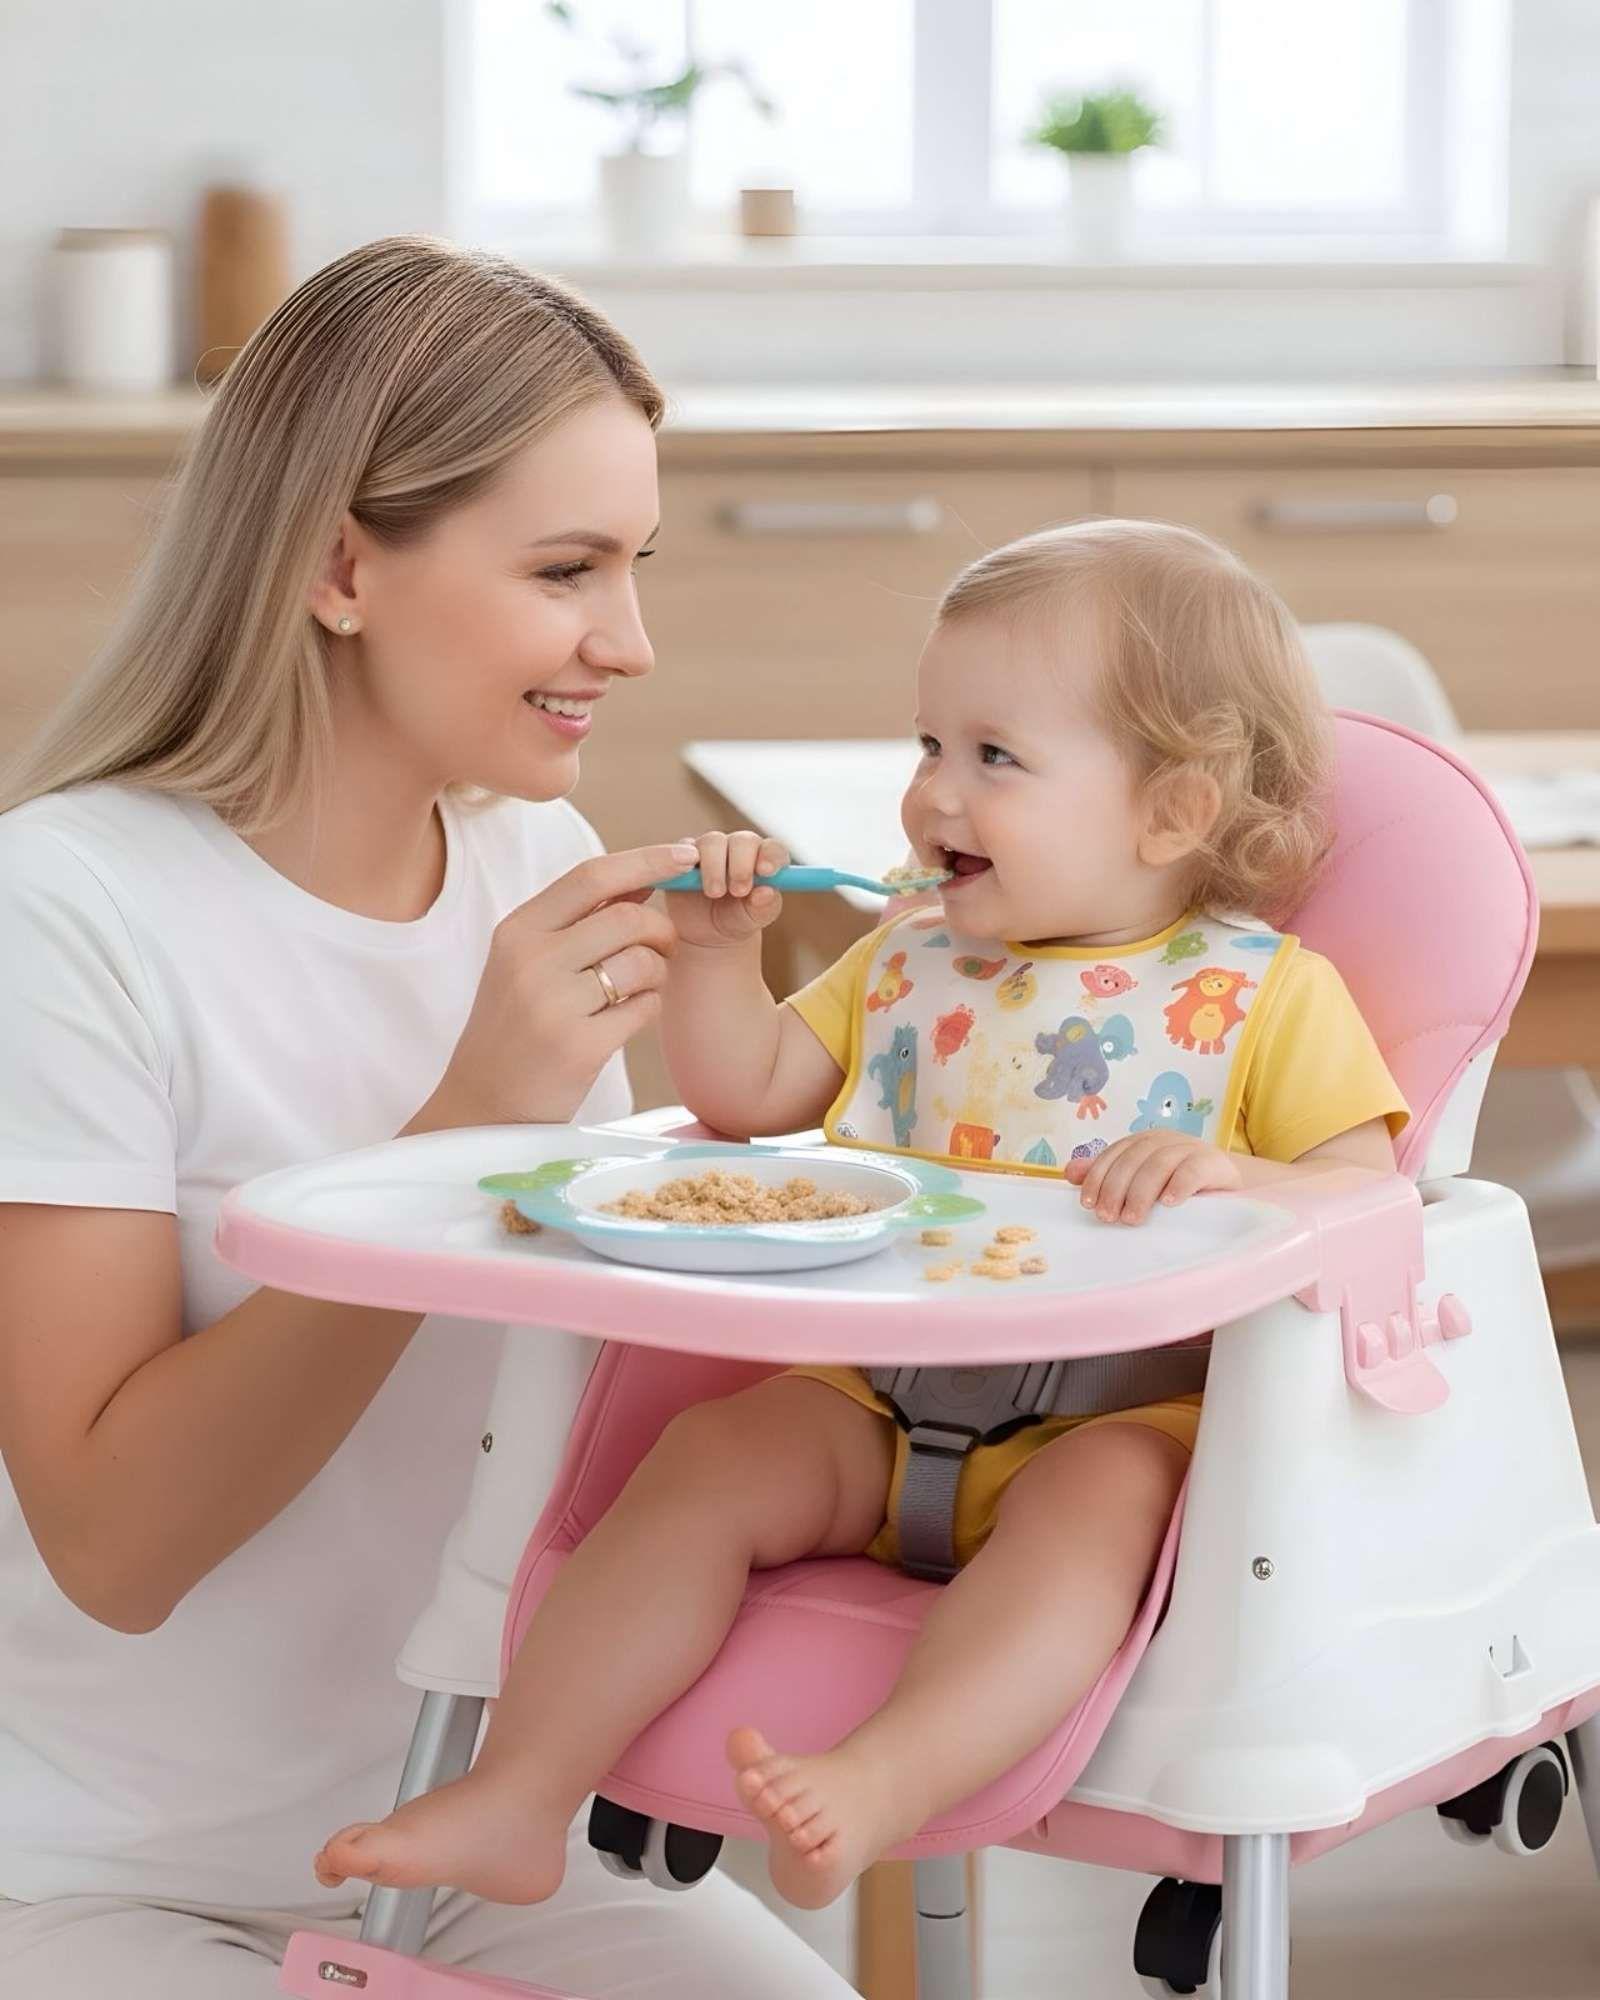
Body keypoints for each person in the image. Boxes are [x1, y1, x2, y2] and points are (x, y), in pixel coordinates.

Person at [315, 518, 1410, 1912]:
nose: (935, 795)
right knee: (708, 1458)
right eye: (927, 746)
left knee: (1104, 1512)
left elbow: (1371, 1194)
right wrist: (723, 960)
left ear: (1172, 812)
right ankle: (520, 1795)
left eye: (994, 757)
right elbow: (754, 1095)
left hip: (1117, 1421)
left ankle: (885, 1776)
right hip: (870, 1401)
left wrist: (1237, 1178)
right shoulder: (907, 958)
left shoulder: (1264, 994)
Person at [0, 236, 855, 1998]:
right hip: (95, 1873)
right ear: (336, 568)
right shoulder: (62, 910)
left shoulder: (528, 867)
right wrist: (462, 1127)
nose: (628, 642)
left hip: (464, 1825)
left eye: (637, 567)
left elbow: (587, 1392)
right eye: (567, 569)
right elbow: (114, 1548)